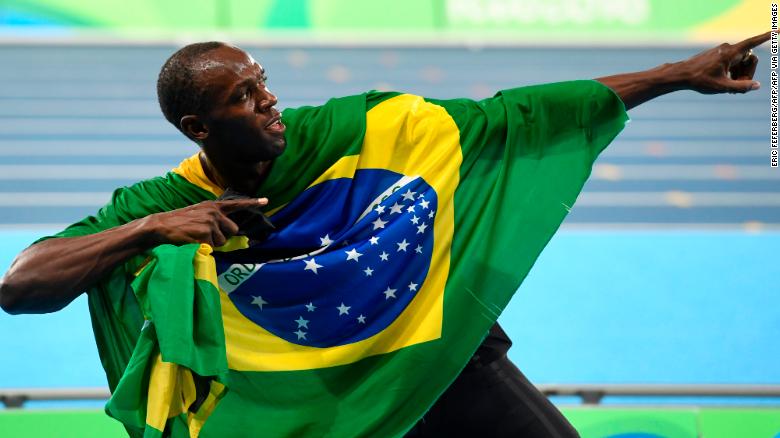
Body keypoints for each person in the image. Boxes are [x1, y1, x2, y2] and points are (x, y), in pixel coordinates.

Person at [0, 32, 769, 437]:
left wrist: (676, 74)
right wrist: (153, 229)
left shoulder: (347, 130)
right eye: (245, 96)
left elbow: (511, 116)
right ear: (201, 127)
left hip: (443, 363)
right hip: (313, 402)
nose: (270, 102)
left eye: (264, 80)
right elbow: (21, 284)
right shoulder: (162, 200)